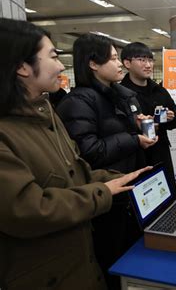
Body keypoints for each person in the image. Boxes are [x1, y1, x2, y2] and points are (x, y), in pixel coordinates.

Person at [0, 18, 150, 290]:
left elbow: (74, 170)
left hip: (80, 256)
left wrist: (120, 178)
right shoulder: (12, 128)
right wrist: (103, 189)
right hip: (43, 272)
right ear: (22, 67)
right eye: (53, 56)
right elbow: (27, 209)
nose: (60, 65)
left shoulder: (45, 113)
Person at [56, 34, 157, 289]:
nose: (119, 64)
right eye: (113, 58)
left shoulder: (118, 95)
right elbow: (88, 151)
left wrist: (134, 125)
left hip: (129, 190)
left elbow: (112, 133)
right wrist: (133, 139)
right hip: (106, 198)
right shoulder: (78, 102)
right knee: (111, 260)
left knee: (134, 255)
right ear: (93, 64)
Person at [121, 42, 176, 198]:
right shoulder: (120, 94)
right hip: (136, 158)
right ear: (127, 63)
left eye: (150, 60)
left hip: (161, 153)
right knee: (145, 202)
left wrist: (170, 117)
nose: (148, 65)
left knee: (168, 197)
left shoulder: (159, 90)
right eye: (142, 60)